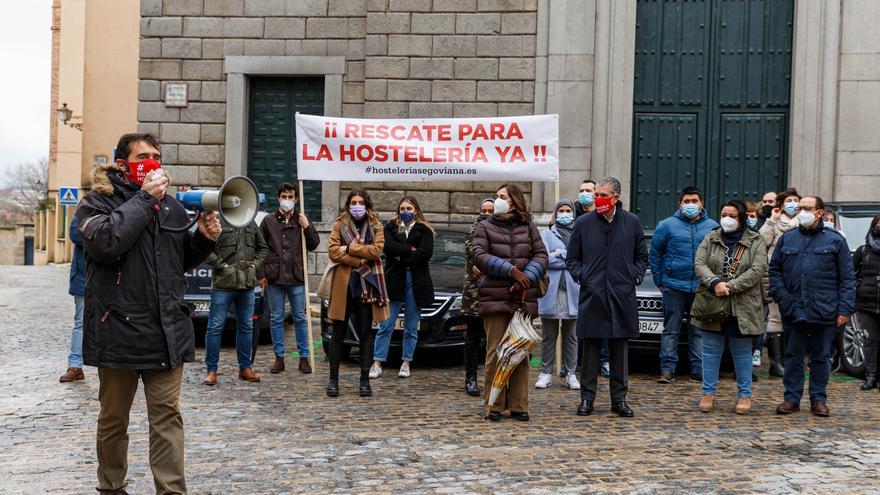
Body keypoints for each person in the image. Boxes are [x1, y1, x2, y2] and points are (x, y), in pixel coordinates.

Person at [75, 133, 220, 494]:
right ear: (123, 164)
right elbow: (106, 243)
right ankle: (111, 486)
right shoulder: (96, 203)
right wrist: (143, 199)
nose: (152, 162)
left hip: (166, 331)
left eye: (156, 156)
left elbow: (176, 261)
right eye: (143, 156)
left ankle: (171, 490)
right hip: (118, 332)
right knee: (113, 419)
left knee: (167, 418)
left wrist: (202, 238)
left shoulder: (169, 206)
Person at [567, 177, 649, 418]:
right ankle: (587, 399)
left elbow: (641, 257)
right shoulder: (583, 223)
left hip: (621, 294)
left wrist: (633, 276)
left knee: (619, 350)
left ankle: (619, 399)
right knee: (590, 349)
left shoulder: (631, 222)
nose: (598, 199)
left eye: (603, 194)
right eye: (596, 195)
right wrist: (584, 277)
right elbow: (572, 259)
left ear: (616, 197)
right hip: (593, 294)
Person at [770, 195, 856, 417]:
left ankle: (818, 398)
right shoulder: (787, 239)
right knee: (793, 355)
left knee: (820, 356)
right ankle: (791, 398)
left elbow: (847, 278)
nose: (802, 212)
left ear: (819, 212)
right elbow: (775, 271)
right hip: (794, 307)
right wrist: (783, 297)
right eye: (800, 208)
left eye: (807, 208)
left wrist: (844, 309)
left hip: (824, 309)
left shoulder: (835, 240)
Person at [472, 184, 548, 421]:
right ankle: (494, 404)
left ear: (514, 201)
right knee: (495, 351)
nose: (497, 201)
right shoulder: (484, 226)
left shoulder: (529, 226)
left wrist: (527, 278)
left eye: (502, 197)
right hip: (495, 296)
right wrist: (511, 272)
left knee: (520, 352)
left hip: (523, 299)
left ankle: (519, 405)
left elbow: (541, 255)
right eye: (496, 197)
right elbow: (480, 254)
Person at [692, 200, 768, 414]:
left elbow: (757, 269)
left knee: (742, 353)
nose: (727, 218)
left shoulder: (755, 240)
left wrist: (731, 286)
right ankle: (708, 393)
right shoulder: (711, 236)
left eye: (732, 215)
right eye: (724, 214)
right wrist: (715, 283)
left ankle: (744, 396)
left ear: (741, 218)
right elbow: (699, 263)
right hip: (713, 302)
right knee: (710, 351)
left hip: (742, 304)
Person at [325, 189, 389, 397]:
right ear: (348, 205)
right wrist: (359, 258)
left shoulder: (376, 225)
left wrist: (350, 249)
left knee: (365, 335)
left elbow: (377, 251)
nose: (357, 205)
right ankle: (333, 381)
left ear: (366, 204)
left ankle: (364, 382)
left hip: (366, 286)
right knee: (338, 334)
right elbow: (333, 251)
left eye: (361, 202)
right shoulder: (339, 224)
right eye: (354, 202)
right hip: (343, 285)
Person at [650, 186, 717, 384]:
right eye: (686, 201)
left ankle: (698, 369)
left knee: (698, 330)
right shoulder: (667, 225)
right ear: (680, 204)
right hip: (673, 286)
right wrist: (659, 280)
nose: (690, 205)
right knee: (671, 329)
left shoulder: (712, 227)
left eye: (694, 201)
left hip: (701, 287)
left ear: (701, 204)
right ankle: (667, 369)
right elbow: (655, 253)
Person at [258, 183, 320, 374]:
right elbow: (260, 248)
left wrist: (307, 227)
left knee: (300, 318)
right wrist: (260, 274)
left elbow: (313, 244)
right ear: (278, 198)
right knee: (276, 318)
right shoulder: (268, 221)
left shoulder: (301, 219)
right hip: (275, 276)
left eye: (290, 196)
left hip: (296, 276)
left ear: (296, 198)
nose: (287, 200)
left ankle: (303, 358)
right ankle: (279, 358)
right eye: (284, 196)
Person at [371, 196, 435, 379]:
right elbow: (389, 248)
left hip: (416, 282)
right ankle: (377, 362)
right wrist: (409, 249)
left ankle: (406, 362)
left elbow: (425, 254)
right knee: (386, 324)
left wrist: (402, 255)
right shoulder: (390, 227)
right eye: (402, 208)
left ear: (416, 210)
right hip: (394, 281)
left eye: (409, 208)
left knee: (410, 327)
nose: (405, 211)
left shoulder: (425, 230)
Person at [202, 214, 268, 385]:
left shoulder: (250, 222)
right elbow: (205, 249)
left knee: (246, 326)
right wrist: (220, 265)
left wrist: (254, 266)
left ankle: (245, 368)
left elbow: (263, 248)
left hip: (246, 285)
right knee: (215, 327)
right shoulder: (218, 220)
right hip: (223, 284)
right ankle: (211, 370)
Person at [535, 199, 580, 390]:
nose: (564, 213)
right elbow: (545, 259)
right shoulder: (546, 234)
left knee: (571, 336)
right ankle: (545, 372)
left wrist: (559, 255)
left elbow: (581, 260)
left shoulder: (580, 233)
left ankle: (571, 372)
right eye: (561, 210)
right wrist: (565, 255)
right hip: (551, 291)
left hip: (573, 290)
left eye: (568, 210)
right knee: (548, 335)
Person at [759, 187, 802, 377]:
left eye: (795, 200)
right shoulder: (774, 222)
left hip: (798, 276)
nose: (793, 204)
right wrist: (771, 221)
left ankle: (790, 360)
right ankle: (775, 364)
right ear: (781, 206)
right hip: (776, 275)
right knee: (775, 317)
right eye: (788, 201)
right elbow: (761, 242)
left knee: (794, 317)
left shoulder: (804, 222)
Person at [461, 198, 494, 396]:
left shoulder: (502, 229)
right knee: (473, 337)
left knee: (493, 338)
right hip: (475, 293)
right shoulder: (473, 230)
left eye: (491, 210)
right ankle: (470, 378)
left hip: (495, 292)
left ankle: (493, 380)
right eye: (484, 210)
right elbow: (476, 255)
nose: (487, 213)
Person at [853, 214, 880, 390]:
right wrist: (859, 289)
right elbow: (851, 275)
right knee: (870, 340)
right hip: (866, 303)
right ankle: (870, 376)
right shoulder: (862, 251)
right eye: (878, 223)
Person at [60, 215, 87, 383]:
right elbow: (75, 235)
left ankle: (117, 368)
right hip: (84, 277)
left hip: (113, 278)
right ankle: (75, 366)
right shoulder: (87, 205)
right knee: (80, 323)